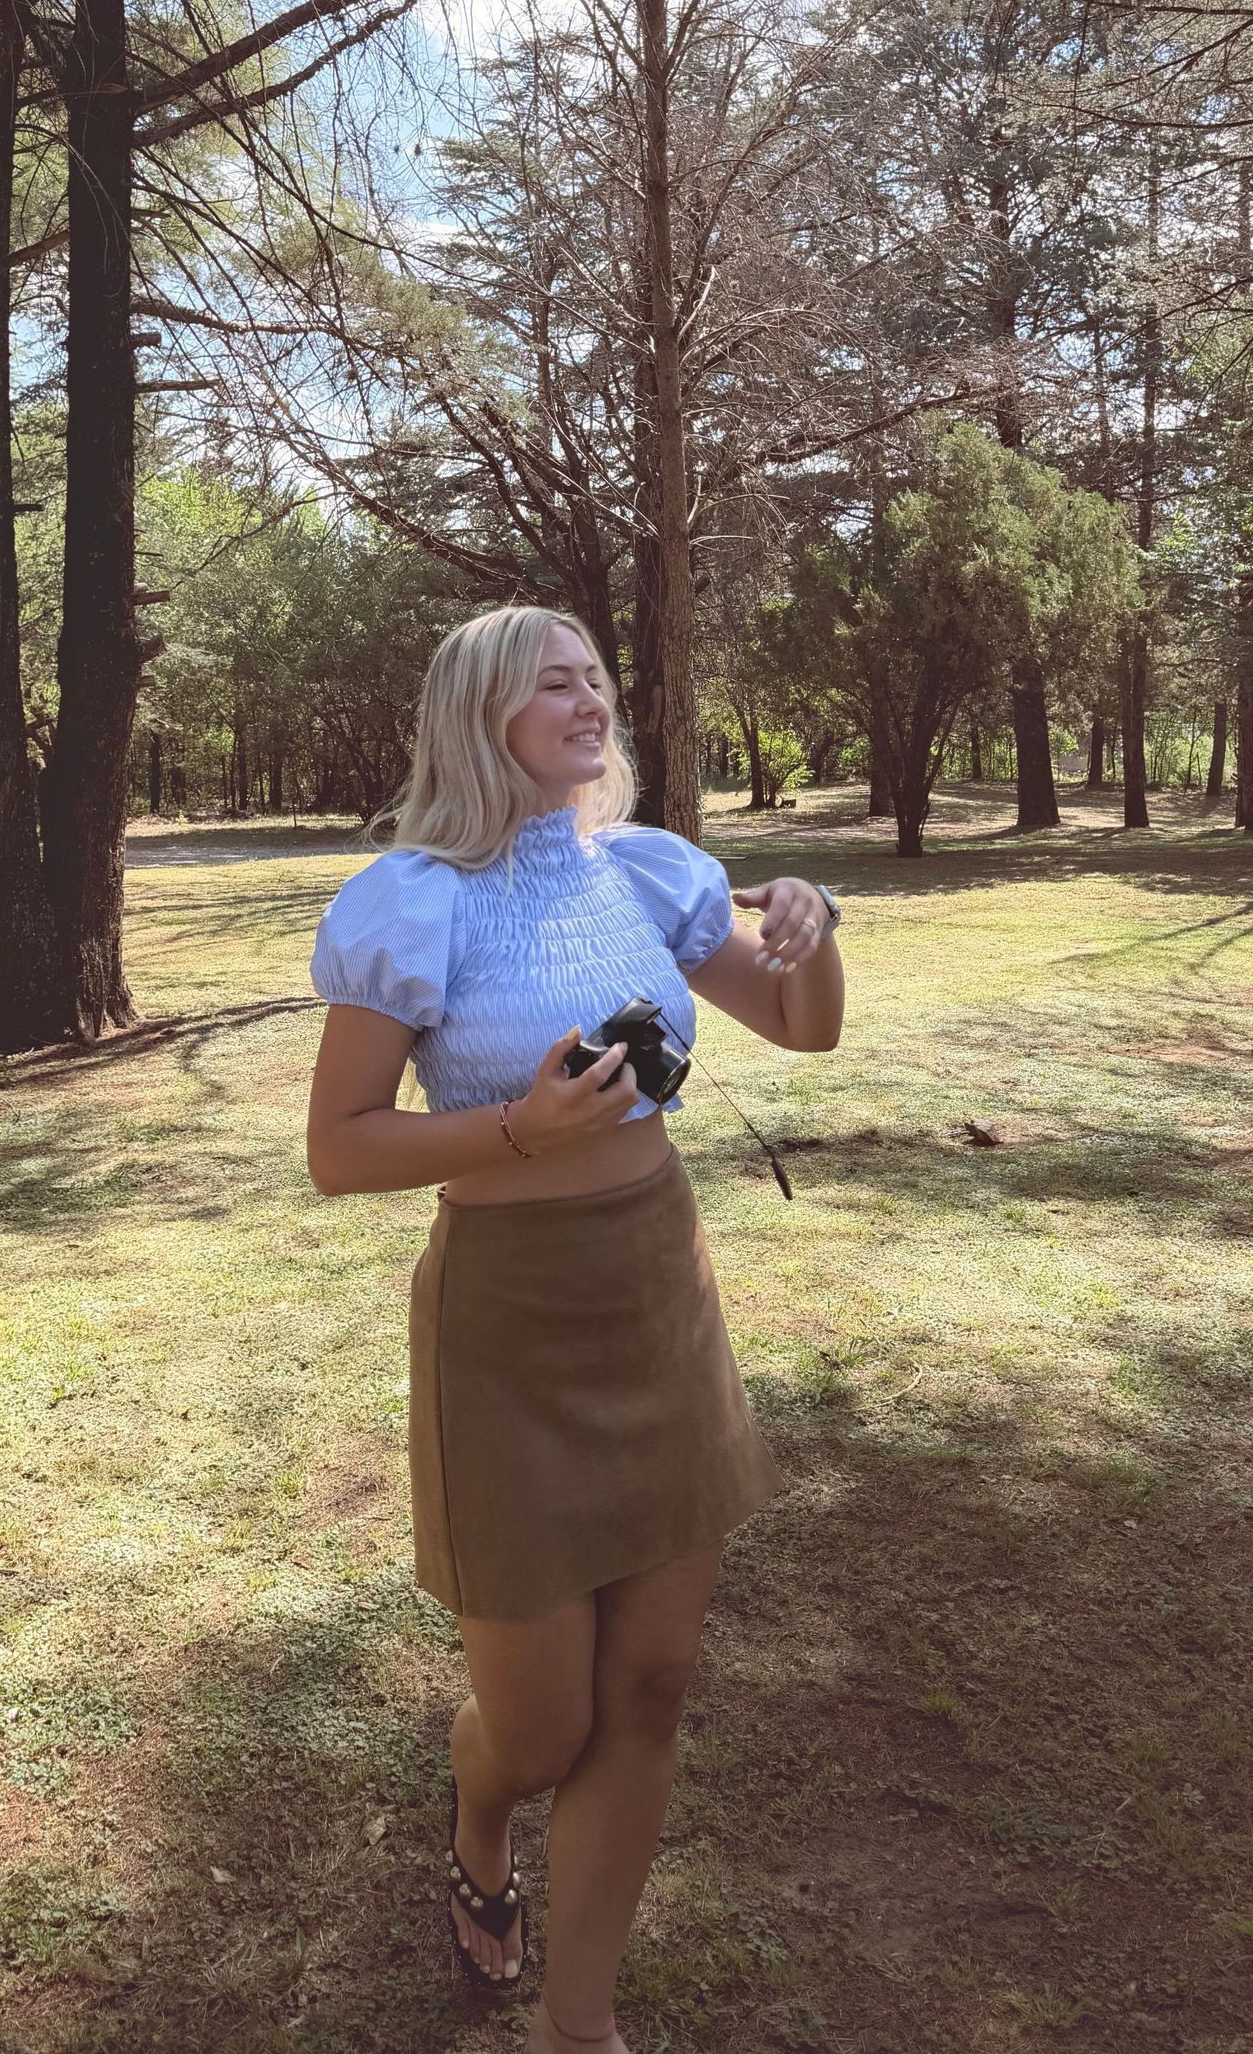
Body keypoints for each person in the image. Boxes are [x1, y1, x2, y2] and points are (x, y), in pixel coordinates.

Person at [304, 604, 844, 2054]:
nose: (588, 697)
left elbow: (803, 1027)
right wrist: (518, 1130)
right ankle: (481, 1815)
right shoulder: (413, 901)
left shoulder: (653, 875)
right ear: (482, 709)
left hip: (658, 1298)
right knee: (538, 1731)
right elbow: (341, 1149)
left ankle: (578, 2024)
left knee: (653, 1689)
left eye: (597, 675)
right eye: (553, 679)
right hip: (507, 1322)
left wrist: (812, 930)